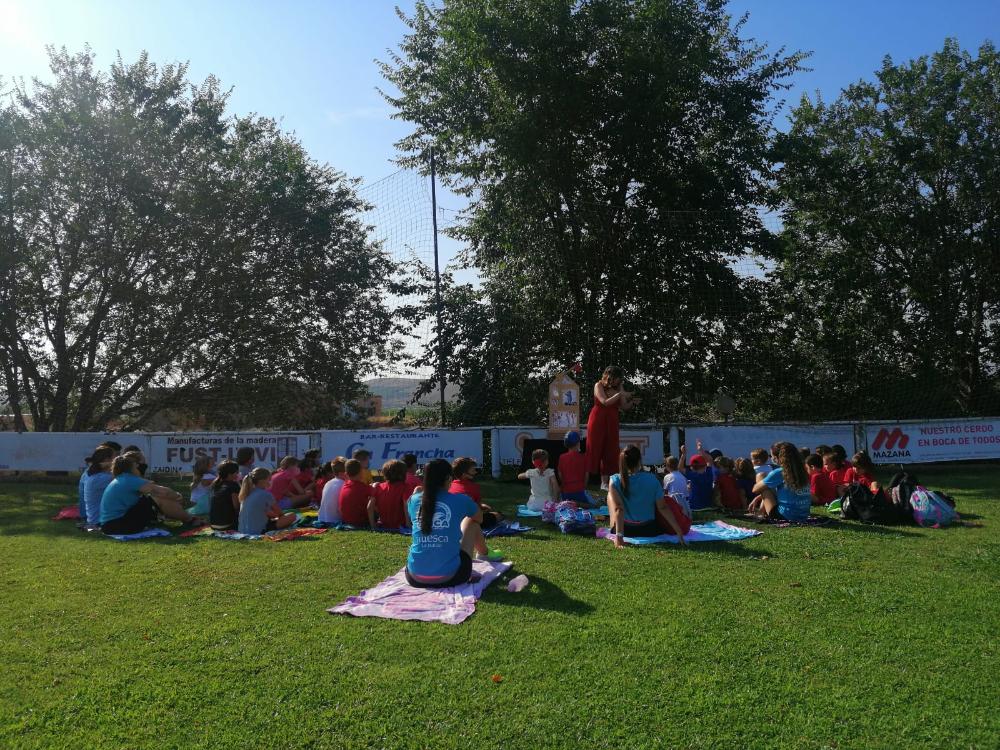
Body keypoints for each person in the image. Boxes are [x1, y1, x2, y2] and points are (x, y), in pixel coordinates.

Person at [405, 458, 484, 588]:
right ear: (448, 478)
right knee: (471, 522)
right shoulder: (461, 500)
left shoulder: (414, 500)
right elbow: (479, 518)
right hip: (451, 577)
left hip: (414, 577)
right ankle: (484, 554)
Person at [607, 445, 689, 548]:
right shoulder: (652, 479)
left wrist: (619, 538)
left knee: (610, 495)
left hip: (626, 529)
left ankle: (612, 524)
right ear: (639, 461)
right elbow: (663, 507)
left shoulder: (614, 480)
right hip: (649, 529)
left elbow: (619, 509)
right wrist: (679, 531)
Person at [99, 454, 200, 535]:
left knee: (154, 497)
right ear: (131, 468)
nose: (138, 469)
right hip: (117, 525)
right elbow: (163, 492)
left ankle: (187, 519)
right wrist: (177, 496)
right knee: (158, 498)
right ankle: (190, 520)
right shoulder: (129, 479)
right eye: (136, 467)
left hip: (110, 525)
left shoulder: (122, 479)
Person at [585, 365, 636, 489]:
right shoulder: (598, 385)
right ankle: (584, 483)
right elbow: (604, 402)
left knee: (611, 450)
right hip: (598, 419)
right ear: (610, 377)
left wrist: (632, 402)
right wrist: (620, 394)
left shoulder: (619, 388)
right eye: (618, 378)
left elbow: (624, 406)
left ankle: (605, 483)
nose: (619, 381)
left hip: (612, 420)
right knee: (594, 449)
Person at [450, 457, 502, 556]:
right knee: (498, 515)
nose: (475, 472)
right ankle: (483, 552)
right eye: (473, 470)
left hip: (453, 520)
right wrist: (481, 507)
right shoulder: (473, 488)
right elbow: (476, 512)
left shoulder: (450, 486)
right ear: (464, 474)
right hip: (469, 521)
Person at [750, 441, 814, 521]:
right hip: (803, 515)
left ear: (777, 458)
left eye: (771, 456)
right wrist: (758, 498)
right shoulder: (802, 470)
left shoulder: (780, 472)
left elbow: (755, 489)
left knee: (761, 476)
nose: (771, 458)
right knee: (770, 485)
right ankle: (761, 512)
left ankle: (761, 513)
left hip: (784, 516)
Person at [238, 468, 295, 535]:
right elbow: (280, 514)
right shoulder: (266, 494)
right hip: (259, 531)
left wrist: (274, 516)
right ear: (262, 481)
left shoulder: (247, 493)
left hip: (242, 531)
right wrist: (277, 516)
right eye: (269, 479)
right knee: (292, 515)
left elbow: (265, 512)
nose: (271, 481)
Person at [368, 459, 411, 529]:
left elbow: (369, 507)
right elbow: (406, 507)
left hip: (383, 525)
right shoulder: (406, 487)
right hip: (400, 526)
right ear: (403, 473)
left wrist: (373, 525)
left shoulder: (378, 487)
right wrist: (408, 525)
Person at [557, 431, 594, 506]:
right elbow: (586, 476)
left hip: (566, 493)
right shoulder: (584, 457)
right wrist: (583, 487)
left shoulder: (562, 457)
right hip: (580, 491)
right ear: (578, 443)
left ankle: (570, 503)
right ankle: (579, 503)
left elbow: (560, 474)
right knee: (594, 502)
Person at [82, 446, 116, 527]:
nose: (117, 460)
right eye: (115, 458)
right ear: (107, 460)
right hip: (100, 522)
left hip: (95, 520)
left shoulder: (90, 473)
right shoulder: (102, 478)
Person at [339, 459, 375, 527]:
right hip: (360, 523)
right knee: (374, 500)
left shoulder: (345, 485)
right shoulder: (364, 487)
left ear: (346, 473)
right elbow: (374, 492)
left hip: (346, 521)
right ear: (361, 472)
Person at [678, 443, 714, 511]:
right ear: (705, 465)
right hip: (708, 506)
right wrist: (701, 450)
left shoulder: (693, 476)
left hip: (695, 507)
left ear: (692, 467)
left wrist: (683, 454)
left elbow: (680, 468)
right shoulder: (709, 474)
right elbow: (710, 460)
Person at [209, 461, 242, 530]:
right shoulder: (233, 485)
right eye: (237, 472)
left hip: (213, 524)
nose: (238, 474)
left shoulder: (216, 484)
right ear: (230, 474)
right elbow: (237, 507)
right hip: (226, 524)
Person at [318, 457, 347, 525]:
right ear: (341, 473)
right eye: (347, 472)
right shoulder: (344, 485)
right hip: (334, 520)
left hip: (322, 518)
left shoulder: (328, 483)